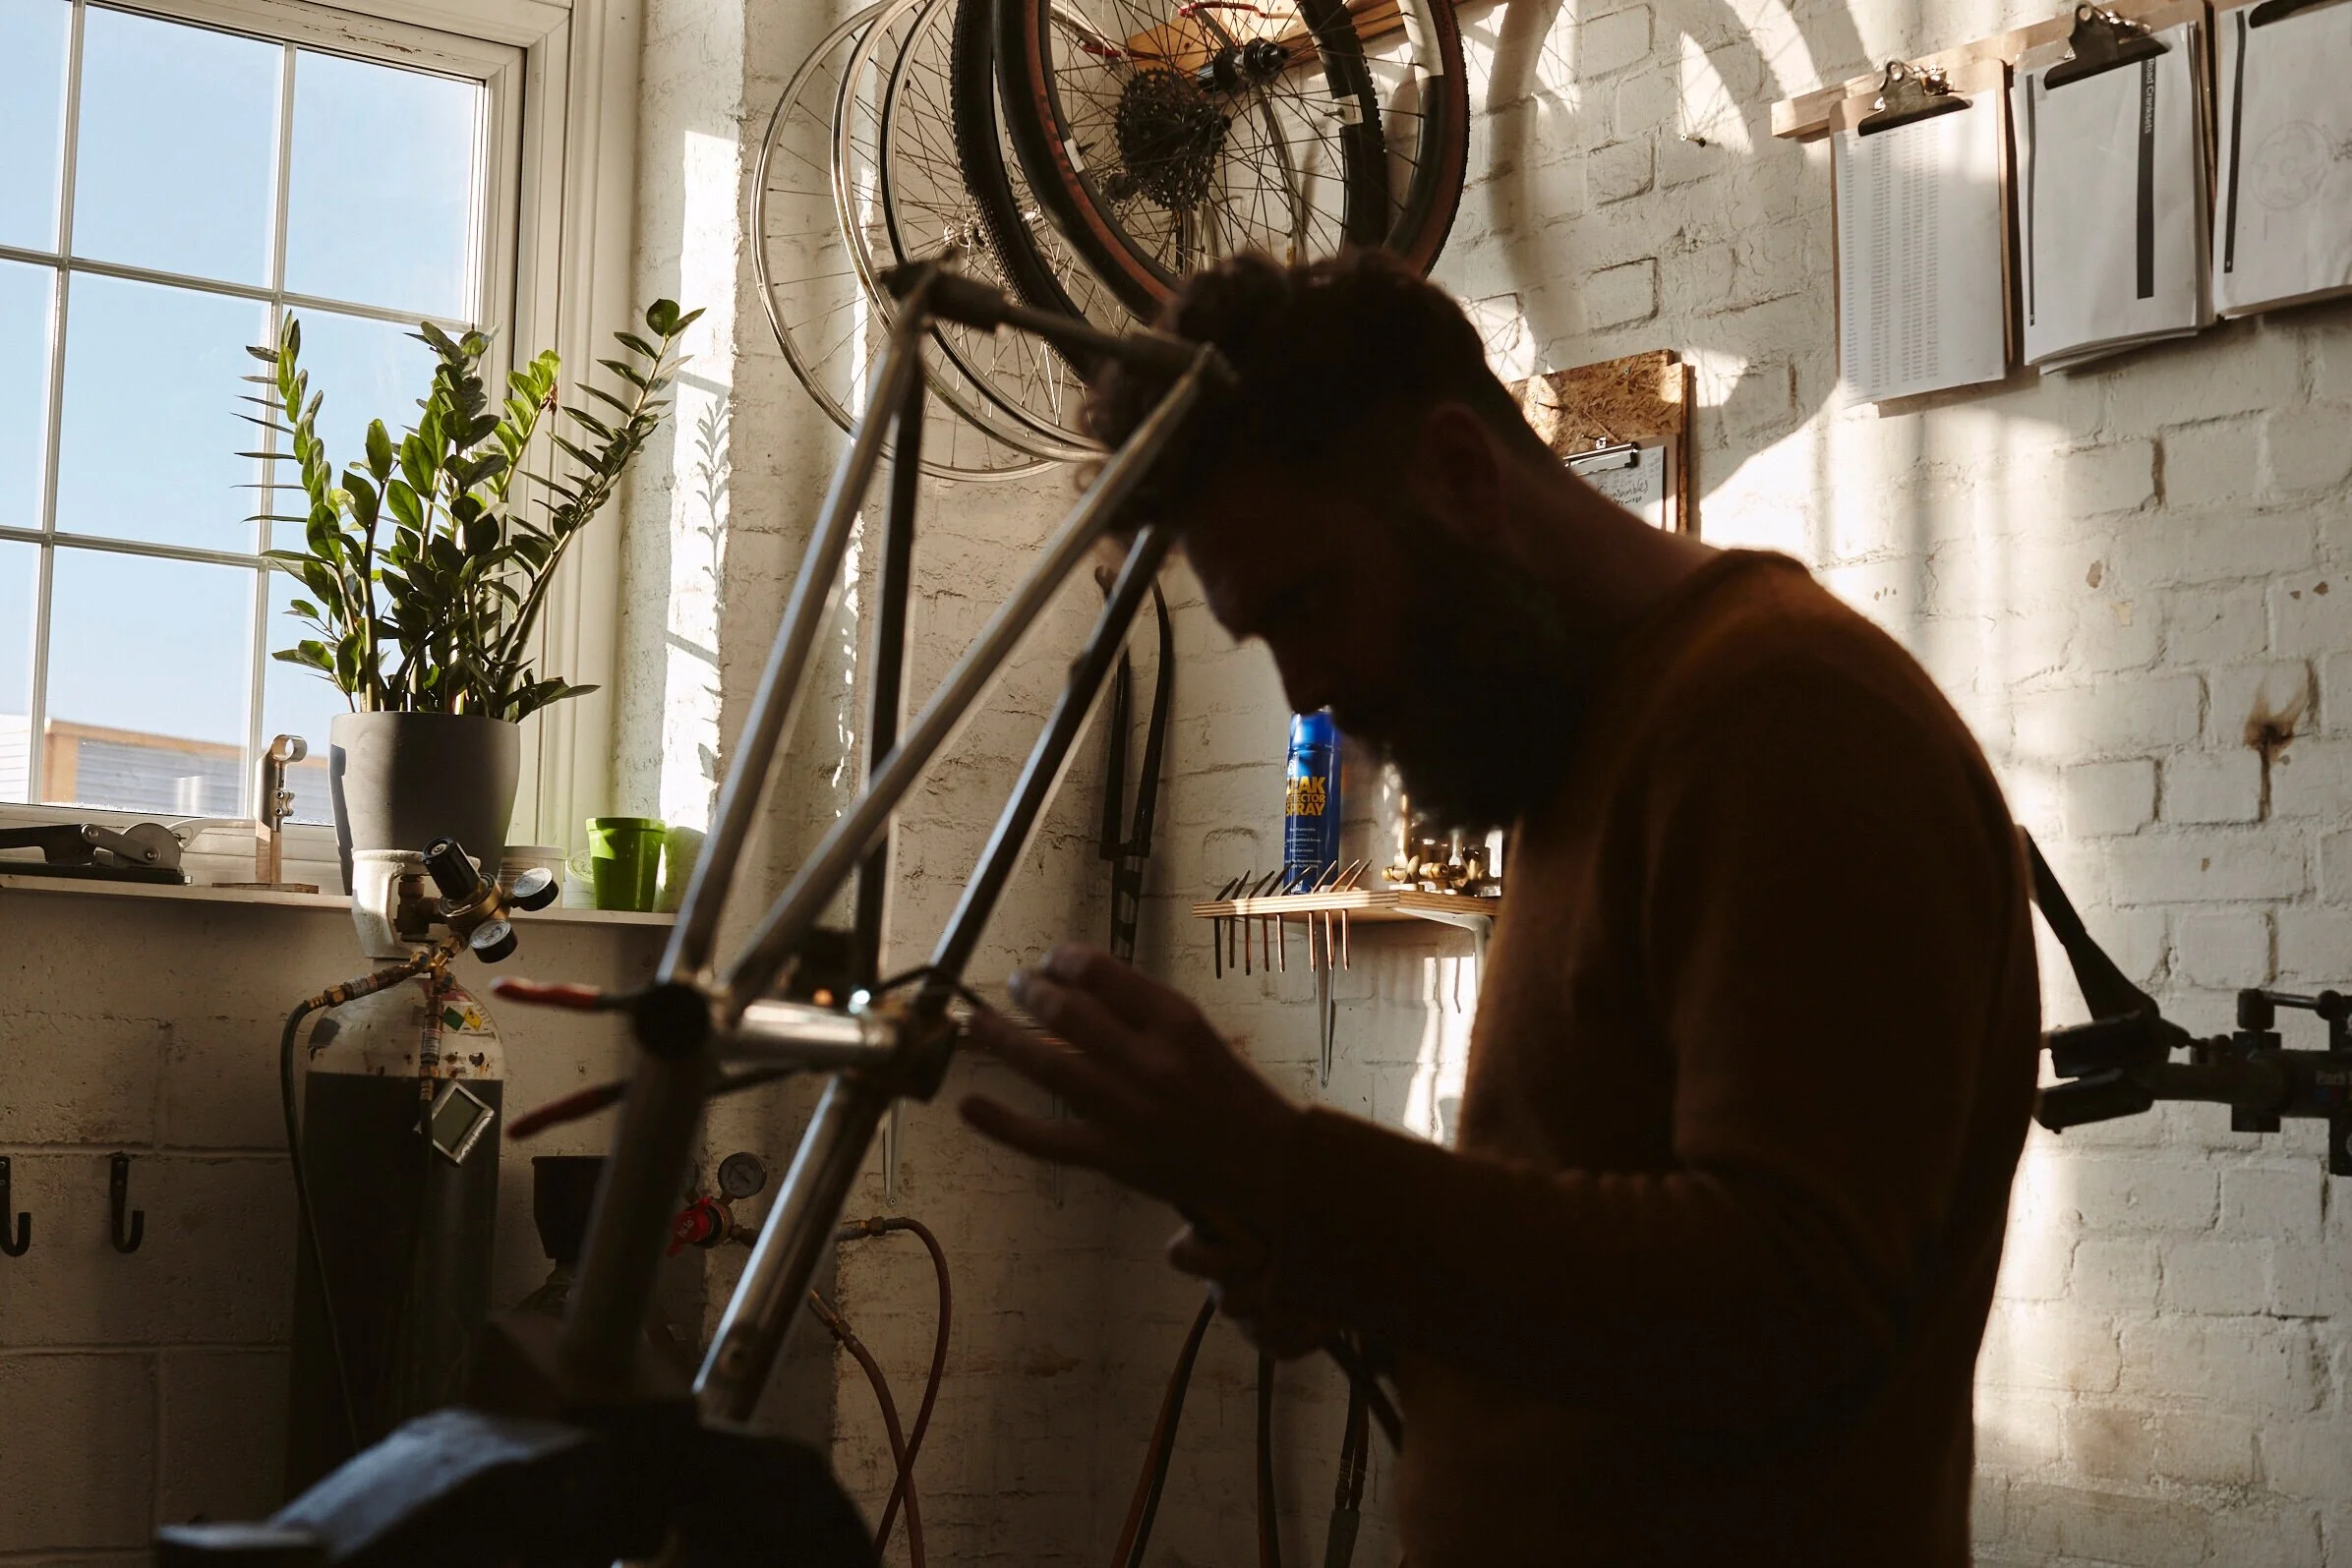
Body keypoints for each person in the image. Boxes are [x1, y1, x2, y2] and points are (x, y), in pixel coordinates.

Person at [959, 250, 2039, 1565]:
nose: (1311, 689)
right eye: (1266, 637)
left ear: (1465, 475)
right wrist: (1332, 1254)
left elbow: (1785, 1310)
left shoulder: (1785, 719)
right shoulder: (1582, 740)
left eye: (1310, 601)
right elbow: (1599, 1276)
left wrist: (1293, 1174)